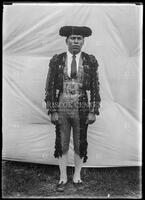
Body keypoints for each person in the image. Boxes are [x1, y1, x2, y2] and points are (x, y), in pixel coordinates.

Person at [45, 26, 101, 192]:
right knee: (61, 142)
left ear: (83, 42)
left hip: (82, 107)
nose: (76, 41)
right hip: (61, 106)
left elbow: (96, 87)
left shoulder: (90, 60)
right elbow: (49, 87)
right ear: (66, 41)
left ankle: (77, 176)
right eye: (73, 38)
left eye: (79, 39)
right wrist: (53, 110)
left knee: (80, 141)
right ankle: (63, 178)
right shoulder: (57, 60)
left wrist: (93, 110)